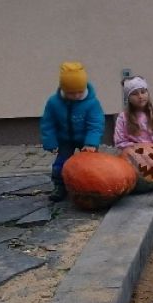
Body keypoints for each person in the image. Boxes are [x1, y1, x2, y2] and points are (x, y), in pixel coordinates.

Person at [39, 62, 105, 203]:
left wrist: (91, 143)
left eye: (79, 92)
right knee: (60, 164)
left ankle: (91, 188)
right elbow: (48, 123)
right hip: (65, 140)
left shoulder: (92, 104)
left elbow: (95, 124)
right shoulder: (53, 102)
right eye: (71, 93)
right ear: (63, 89)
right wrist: (50, 141)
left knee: (91, 166)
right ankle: (60, 186)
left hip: (85, 139)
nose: (76, 95)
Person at [113, 76, 153, 149]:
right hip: (134, 152)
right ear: (128, 98)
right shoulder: (123, 117)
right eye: (135, 94)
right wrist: (136, 146)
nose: (140, 96)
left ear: (147, 93)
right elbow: (120, 141)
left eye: (143, 92)